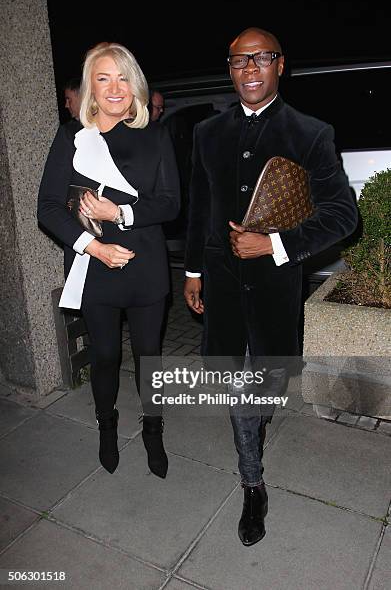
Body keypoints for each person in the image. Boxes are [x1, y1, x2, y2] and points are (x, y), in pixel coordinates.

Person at [184, 27, 358, 546]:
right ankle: (251, 470)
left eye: (262, 59)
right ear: (230, 68)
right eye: (240, 61)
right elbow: (200, 208)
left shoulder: (310, 132)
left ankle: (253, 465)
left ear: (281, 65)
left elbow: (343, 215)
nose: (251, 69)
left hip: (275, 285)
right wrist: (193, 270)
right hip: (221, 281)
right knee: (233, 386)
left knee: (261, 385)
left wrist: (276, 244)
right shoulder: (207, 133)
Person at [38, 42, 180, 478]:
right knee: (103, 356)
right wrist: (94, 247)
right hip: (94, 265)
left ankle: (152, 429)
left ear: (134, 84)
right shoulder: (71, 137)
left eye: (122, 77)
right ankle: (106, 423)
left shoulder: (155, 135)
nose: (114, 87)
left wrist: (120, 213)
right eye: (103, 78)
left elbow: (171, 204)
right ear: (90, 88)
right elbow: (47, 208)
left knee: (149, 355)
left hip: (146, 266)